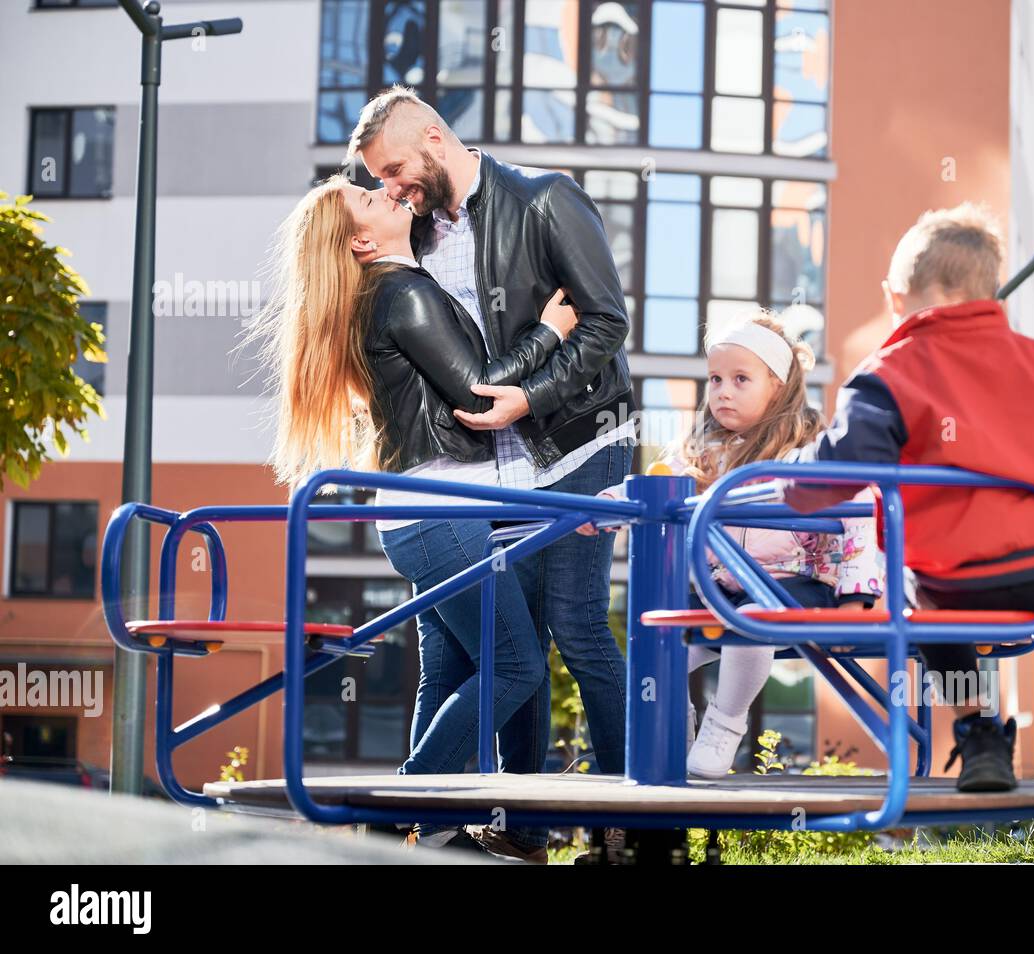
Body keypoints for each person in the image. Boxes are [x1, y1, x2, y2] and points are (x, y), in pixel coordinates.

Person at [787, 203, 1034, 864]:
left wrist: (787, 481)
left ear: (896, 298)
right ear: (988, 290)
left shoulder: (891, 372)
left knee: (936, 629)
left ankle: (980, 735)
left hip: (950, 579)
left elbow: (833, 474)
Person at [247, 174, 579, 860]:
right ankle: (402, 802)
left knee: (452, 672)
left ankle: (428, 831)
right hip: (441, 514)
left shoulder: (382, 296)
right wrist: (551, 329)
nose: (386, 193)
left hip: (421, 516)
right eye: (369, 199)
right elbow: (479, 394)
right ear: (362, 241)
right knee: (517, 665)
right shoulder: (403, 294)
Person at [347, 86, 636, 860]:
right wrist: (507, 397)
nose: (393, 189)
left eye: (398, 171)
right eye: (381, 180)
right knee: (518, 644)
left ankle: (628, 823)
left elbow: (608, 318)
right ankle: (523, 824)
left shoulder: (545, 199)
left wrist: (528, 396)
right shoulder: (415, 234)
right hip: (491, 465)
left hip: (577, 442)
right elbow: (452, 367)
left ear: (436, 138)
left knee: (576, 626)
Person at [581, 312, 882, 777]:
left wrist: (857, 599)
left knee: (753, 617)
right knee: (661, 629)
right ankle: (673, 727)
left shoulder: (807, 450)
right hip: (719, 584)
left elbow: (862, 510)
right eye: (716, 378)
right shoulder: (701, 450)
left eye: (741, 379)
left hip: (794, 584)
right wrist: (610, 506)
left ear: (778, 385)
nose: (723, 390)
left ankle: (725, 723)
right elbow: (656, 484)